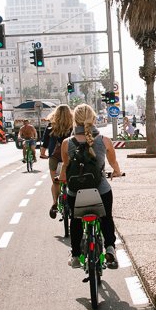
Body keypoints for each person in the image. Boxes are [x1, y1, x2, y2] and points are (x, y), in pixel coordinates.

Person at [58, 104, 122, 269]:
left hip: (76, 192)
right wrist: (116, 172)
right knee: (107, 217)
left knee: (76, 219)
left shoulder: (67, 143)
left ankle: (76, 256)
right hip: (100, 189)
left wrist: (61, 178)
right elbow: (113, 163)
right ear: (93, 119)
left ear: (75, 120)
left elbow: (66, 166)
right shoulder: (104, 141)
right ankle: (110, 248)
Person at [40, 105, 73, 219]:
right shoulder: (72, 127)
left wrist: (43, 154)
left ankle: (55, 203)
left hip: (54, 158)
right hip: (69, 159)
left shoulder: (51, 127)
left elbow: (44, 143)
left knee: (55, 182)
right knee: (71, 181)